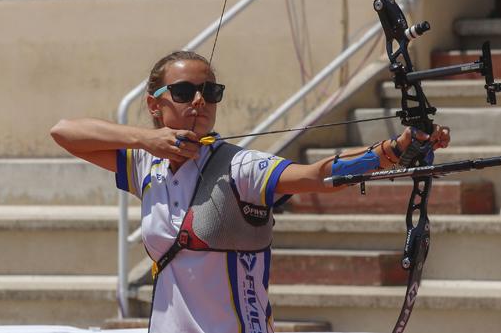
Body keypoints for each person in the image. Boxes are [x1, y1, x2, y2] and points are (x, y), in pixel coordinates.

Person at [50, 51, 450, 333]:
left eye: (211, 91)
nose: (200, 101)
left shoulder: (239, 166)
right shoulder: (144, 164)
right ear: (155, 105)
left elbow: (314, 176)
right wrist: (146, 140)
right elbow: (64, 132)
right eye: (185, 92)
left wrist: (391, 151)